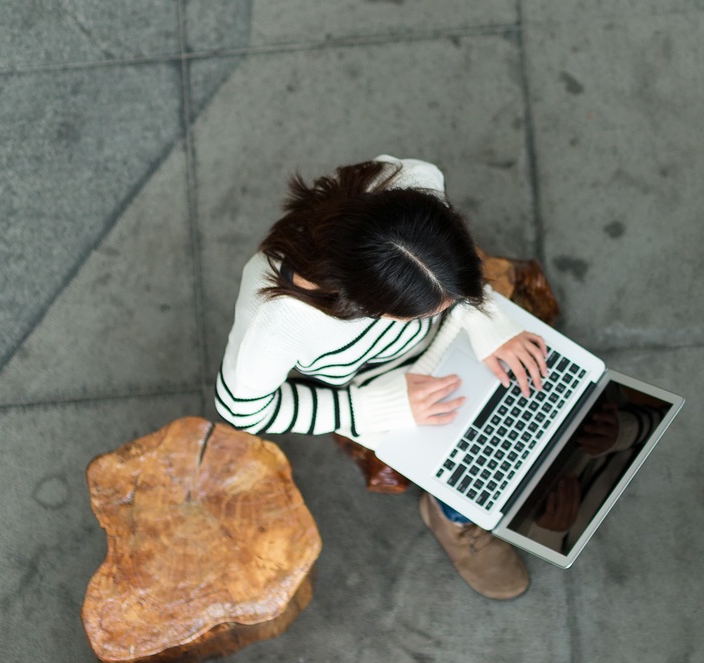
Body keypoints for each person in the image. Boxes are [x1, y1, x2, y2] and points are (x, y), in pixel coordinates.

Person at [214, 155, 546, 600]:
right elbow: (240, 408)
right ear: (363, 306)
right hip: (375, 388)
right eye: (425, 310)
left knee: (539, 390)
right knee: (458, 458)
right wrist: (367, 407)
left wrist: (483, 318)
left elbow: (448, 270)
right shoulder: (274, 323)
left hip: (442, 345)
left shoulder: (414, 180)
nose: (442, 309)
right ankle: (453, 516)